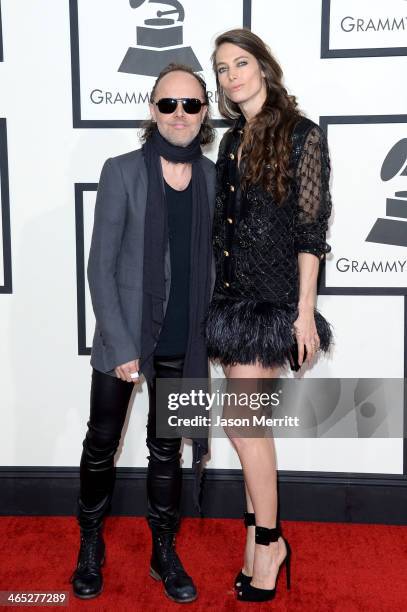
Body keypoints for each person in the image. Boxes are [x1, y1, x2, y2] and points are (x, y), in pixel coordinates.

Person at [70, 63, 215, 604]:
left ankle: (163, 548)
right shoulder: (122, 170)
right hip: (124, 338)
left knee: (166, 450)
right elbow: (99, 267)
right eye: (169, 104)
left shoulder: (212, 177)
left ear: (205, 114)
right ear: (152, 110)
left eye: (192, 105)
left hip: (185, 339)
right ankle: (89, 544)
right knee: (101, 444)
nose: (180, 114)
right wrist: (123, 343)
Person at [205, 29, 333, 603]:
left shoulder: (302, 134)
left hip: (273, 302)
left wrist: (303, 315)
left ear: (263, 67)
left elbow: (311, 230)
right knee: (244, 427)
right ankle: (258, 541)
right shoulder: (231, 140)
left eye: (241, 63)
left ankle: (271, 542)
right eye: (222, 68)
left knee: (244, 426)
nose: (232, 75)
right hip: (232, 300)